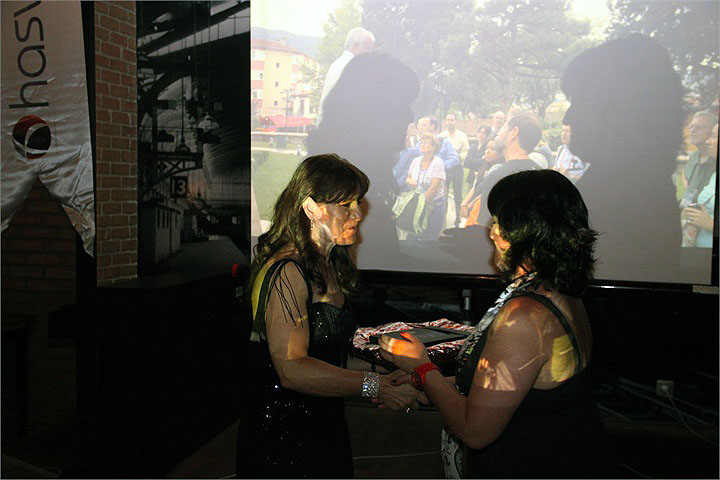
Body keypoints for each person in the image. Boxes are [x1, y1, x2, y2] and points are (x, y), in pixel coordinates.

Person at [379, 169, 620, 478]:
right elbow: (517, 391)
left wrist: (421, 366)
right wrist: (424, 381)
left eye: (498, 222)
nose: (491, 232)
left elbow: (476, 431)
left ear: (524, 231)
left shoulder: (524, 316)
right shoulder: (559, 292)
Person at [237, 154, 419, 478]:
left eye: (358, 203)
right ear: (310, 208)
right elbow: (292, 369)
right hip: (283, 439)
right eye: (346, 205)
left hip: (324, 427)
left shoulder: (327, 265)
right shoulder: (287, 271)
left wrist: (392, 372)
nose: (358, 214)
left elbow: (331, 357)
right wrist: (376, 385)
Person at [562, 33, 685, 282]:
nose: (568, 117)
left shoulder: (620, 196)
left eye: (580, 102)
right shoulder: (649, 188)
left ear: (617, 110)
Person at [307, 52, 420, 270]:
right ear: (375, 111)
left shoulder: (347, 177)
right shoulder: (340, 189)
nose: (410, 116)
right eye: (403, 105)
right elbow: (375, 269)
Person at [467, 111, 542, 228]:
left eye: (504, 127)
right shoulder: (543, 176)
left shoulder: (496, 179)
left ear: (514, 132)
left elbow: (486, 231)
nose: (498, 133)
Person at [317, 27, 375, 123]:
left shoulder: (337, 63)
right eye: (369, 48)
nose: (371, 52)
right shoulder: (354, 66)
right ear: (356, 45)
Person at [402, 133, 446, 240]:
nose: (422, 144)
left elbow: (433, 189)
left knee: (428, 240)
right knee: (411, 235)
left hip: (433, 206)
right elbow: (408, 178)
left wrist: (421, 204)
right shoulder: (416, 161)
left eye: (426, 142)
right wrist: (410, 181)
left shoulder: (437, 163)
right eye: (421, 142)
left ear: (434, 147)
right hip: (417, 204)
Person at [681, 123, 718, 247]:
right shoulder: (714, 175)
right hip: (699, 247)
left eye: (714, 136)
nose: (708, 141)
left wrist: (710, 224)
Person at [440, 114, 470, 227]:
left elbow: (466, 149)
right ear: (445, 121)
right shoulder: (441, 136)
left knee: (458, 194)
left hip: (457, 166)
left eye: (452, 120)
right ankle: (443, 218)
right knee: (444, 193)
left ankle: (458, 219)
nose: (450, 122)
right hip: (446, 167)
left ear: (455, 121)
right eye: (448, 120)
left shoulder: (462, 135)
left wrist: (459, 158)